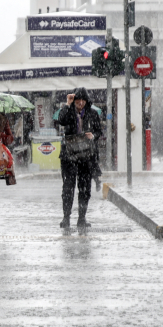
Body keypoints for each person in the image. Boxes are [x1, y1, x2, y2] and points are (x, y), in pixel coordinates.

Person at [58, 87, 102, 229]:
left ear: (87, 101)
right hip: (69, 155)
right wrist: (68, 103)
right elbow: (61, 120)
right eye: (78, 100)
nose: (81, 103)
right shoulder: (68, 111)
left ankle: (82, 218)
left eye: (83, 100)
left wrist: (93, 135)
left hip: (86, 156)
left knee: (84, 189)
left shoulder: (92, 113)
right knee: (68, 188)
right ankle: (66, 218)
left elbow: (99, 131)